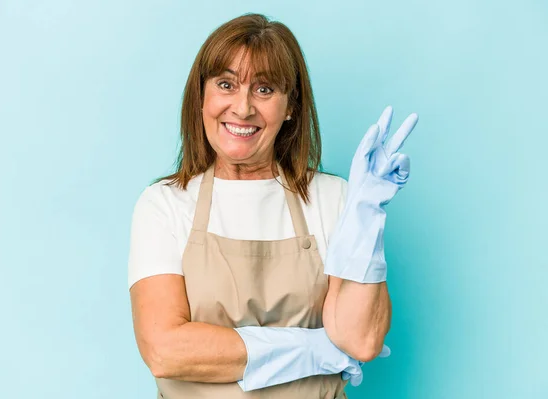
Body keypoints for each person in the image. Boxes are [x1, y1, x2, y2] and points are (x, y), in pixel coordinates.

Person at [127, 12, 418, 399]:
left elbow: (360, 340)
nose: (243, 108)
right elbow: (165, 351)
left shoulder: (332, 199)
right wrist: (316, 350)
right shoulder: (165, 205)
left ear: (291, 106)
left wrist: (366, 213)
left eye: (264, 90)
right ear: (203, 97)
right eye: (226, 84)